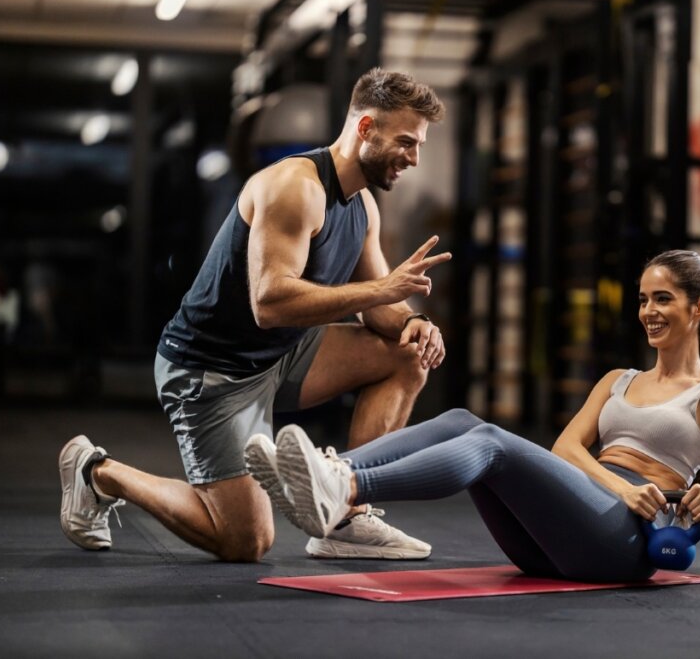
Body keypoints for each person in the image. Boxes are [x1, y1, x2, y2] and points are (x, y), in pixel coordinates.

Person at [58, 68, 452, 562]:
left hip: (280, 355)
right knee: (245, 542)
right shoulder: (295, 187)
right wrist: (381, 289)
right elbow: (269, 303)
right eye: (407, 142)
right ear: (366, 128)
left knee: (407, 354)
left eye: (419, 146)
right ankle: (98, 473)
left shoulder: (363, 206)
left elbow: (381, 306)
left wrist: (413, 322)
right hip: (210, 370)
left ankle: (348, 514)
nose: (414, 158)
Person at [248, 250, 700, 581]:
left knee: (493, 445)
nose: (648, 312)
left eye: (663, 299)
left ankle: (345, 488)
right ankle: (329, 472)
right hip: (570, 529)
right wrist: (616, 487)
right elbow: (565, 451)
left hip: (626, 542)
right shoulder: (618, 380)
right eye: (643, 299)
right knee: (460, 419)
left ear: (699, 309)